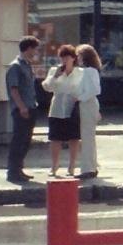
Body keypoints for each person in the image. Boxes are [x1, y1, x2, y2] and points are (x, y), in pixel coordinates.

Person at [41, 45, 82, 178]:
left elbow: (84, 89)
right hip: (57, 108)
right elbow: (47, 87)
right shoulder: (55, 70)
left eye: (67, 57)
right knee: (55, 138)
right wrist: (56, 76)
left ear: (73, 58)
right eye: (62, 57)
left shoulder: (80, 72)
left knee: (74, 138)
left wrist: (79, 97)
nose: (64, 60)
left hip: (72, 108)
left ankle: (72, 166)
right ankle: (54, 165)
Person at [5, 35, 40, 184]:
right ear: (28, 48)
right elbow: (14, 89)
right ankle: (12, 172)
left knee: (26, 141)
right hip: (22, 109)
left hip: (31, 106)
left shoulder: (27, 65)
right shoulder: (16, 66)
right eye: (34, 49)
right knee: (19, 140)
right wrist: (21, 107)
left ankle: (19, 169)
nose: (36, 52)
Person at [75, 44, 103, 180]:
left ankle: (88, 169)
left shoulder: (89, 71)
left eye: (79, 55)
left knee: (87, 138)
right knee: (88, 138)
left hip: (88, 103)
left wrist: (79, 97)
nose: (77, 58)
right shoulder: (88, 70)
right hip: (88, 104)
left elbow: (94, 90)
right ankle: (92, 166)